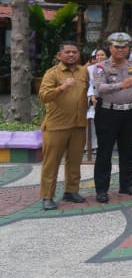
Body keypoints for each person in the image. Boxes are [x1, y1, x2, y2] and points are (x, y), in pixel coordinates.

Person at [38, 41, 89, 210]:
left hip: (78, 124)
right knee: (51, 163)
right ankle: (47, 196)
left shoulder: (83, 72)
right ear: (60, 55)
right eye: (67, 52)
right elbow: (43, 96)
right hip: (56, 126)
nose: (71, 55)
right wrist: (62, 88)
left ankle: (71, 191)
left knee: (74, 161)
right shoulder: (52, 73)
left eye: (74, 52)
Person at [93, 33, 132, 203]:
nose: (121, 50)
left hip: (128, 112)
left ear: (128, 48)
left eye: (124, 47)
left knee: (127, 150)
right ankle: (101, 189)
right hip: (108, 112)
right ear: (110, 47)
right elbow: (100, 88)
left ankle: (126, 184)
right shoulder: (101, 67)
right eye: (117, 46)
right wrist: (121, 85)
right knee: (105, 152)